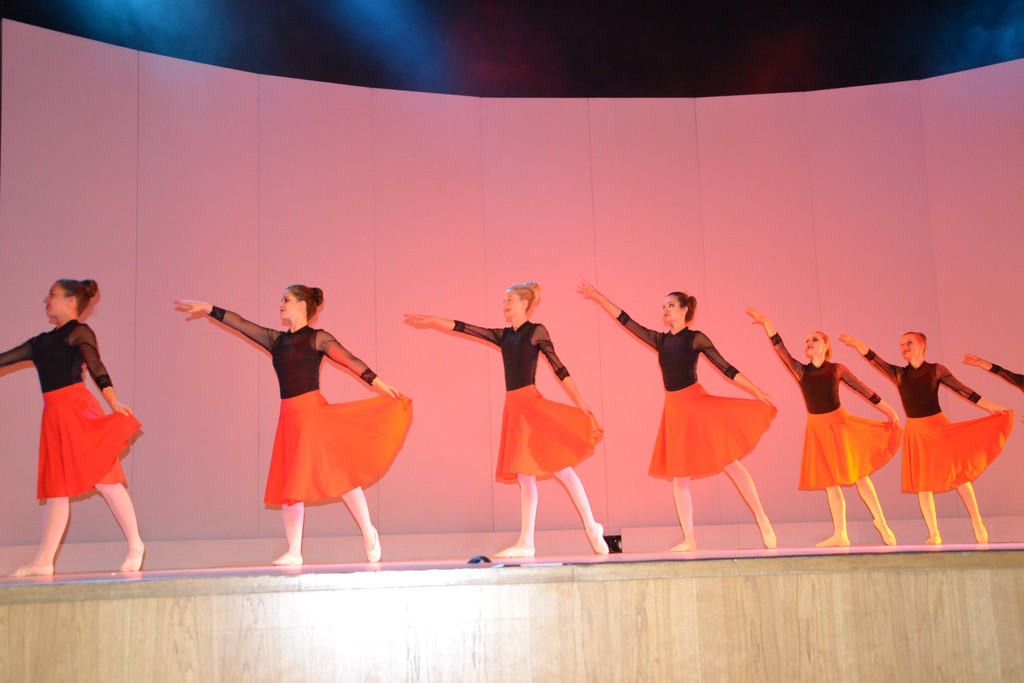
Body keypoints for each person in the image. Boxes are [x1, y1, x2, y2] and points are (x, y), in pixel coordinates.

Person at [174, 286, 411, 565]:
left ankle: (368, 532)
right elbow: (241, 323)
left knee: (339, 475)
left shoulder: (317, 338)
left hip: (313, 415)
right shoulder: (276, 340)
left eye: (286, 299)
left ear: (301, 305)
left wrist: (378, 383)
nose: (281, 304)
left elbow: (349, 360)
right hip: (288, 419)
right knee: (291, 483)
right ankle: (294, 551)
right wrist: (208, 308)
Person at [404, 282, 608, 558]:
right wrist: (433, 321)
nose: (505, 305)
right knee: (525, 476)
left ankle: (592, 527)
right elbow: (464, 327)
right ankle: (527, 543)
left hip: (532, 405)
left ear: (525, 304)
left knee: (562, 470)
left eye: (510, 300)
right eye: (503, 301)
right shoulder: (503, 336)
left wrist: (579, 401)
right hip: (514, 407)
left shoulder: (536, 331)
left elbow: (558, 367)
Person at [578, 280, 776, 551]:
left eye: (670, 305)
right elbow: (627, 321)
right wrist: (599, 296)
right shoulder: (661, 341)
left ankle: (762, 518)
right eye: (663, 306)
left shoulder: (695, 338)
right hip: (675, 410)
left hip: (697, 404)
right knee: (679, 476)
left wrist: (756, 390)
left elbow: (726, 367)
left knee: (730, 462)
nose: (665, 309)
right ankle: (689, 539)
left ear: (684, 310)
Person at [1, 279, 143, 576]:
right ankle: (44, 561)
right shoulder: (40, 343)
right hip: (54, 417)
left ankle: (135, 545)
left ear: (70, 302)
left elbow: (96, 366)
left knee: (105, 479)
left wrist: (113, 402)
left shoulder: (79, 331)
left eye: (52, 294)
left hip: (77, 410)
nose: (46, 300)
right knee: (57, 489)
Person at [747, 309, 901, 546]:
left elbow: (863, 389)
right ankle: (841, 535)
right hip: (818, 429)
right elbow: (781, 350)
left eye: (815, 339)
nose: (809, 342)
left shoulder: (836, 369)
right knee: (831, 484)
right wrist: (768, 323)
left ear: (826, 346)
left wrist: (888, 409)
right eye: (807, 340)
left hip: (840, 425)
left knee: (859, 475)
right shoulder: (801, 371)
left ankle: (880, 521)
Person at [840, 331, 1012, 544]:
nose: (904, 347)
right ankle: (934, 533)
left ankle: (977, 521)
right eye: (902, 345)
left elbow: (965, 391)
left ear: (922, 345)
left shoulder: (935, 370)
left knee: (959, 475)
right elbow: (875, 360)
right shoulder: (899, 374)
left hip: (938, 426)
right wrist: (858, 344)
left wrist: (992, 407)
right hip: (916, 431)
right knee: (923, 483)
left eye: (909, 343)